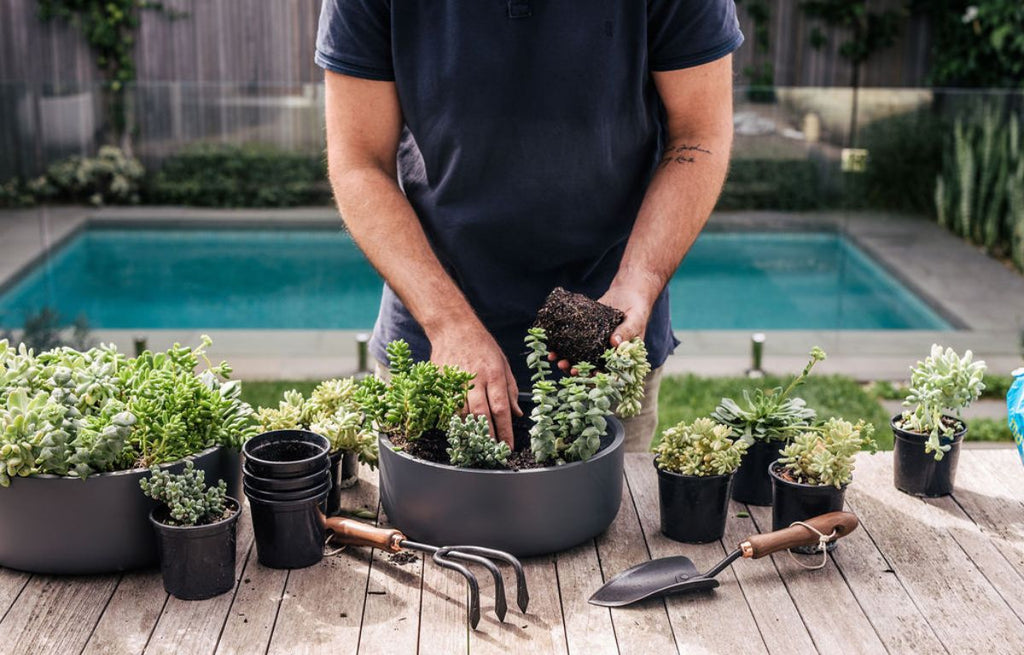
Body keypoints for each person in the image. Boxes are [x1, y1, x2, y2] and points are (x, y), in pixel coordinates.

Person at [316, 1, 742, 451]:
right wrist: (449, 326)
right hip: (433, 339)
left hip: (607, 348)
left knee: (615, 522)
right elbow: (361, 163)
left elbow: (699, 133)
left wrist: (640, 281)